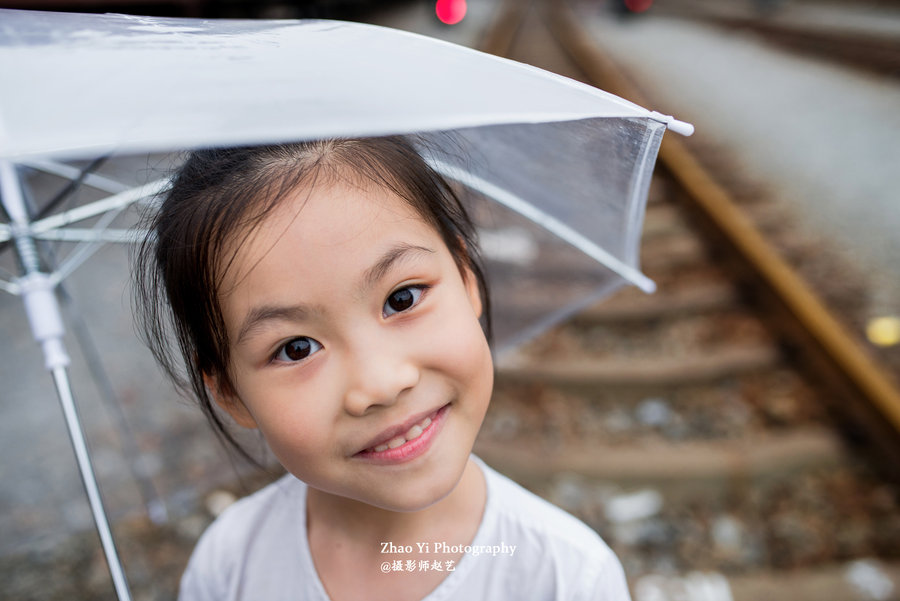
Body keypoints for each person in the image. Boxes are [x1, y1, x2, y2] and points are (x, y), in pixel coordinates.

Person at [134, 136, 631, 600]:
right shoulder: (228, 566)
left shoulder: (568, 577)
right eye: (297, 348)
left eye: (402, 297)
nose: (380, 384)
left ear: (465, 277)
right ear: (229, 393)